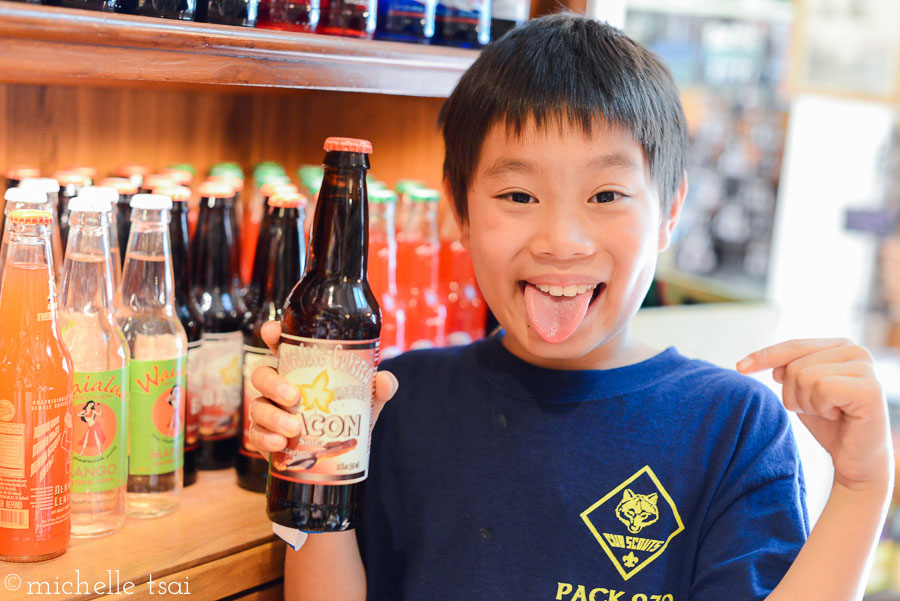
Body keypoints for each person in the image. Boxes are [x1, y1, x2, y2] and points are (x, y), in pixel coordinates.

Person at [249, 14, 893, 601]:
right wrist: (312, 468)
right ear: (461, 212)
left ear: (669, 213)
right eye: (520, 195)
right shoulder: (397, 398)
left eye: (607, 193)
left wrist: (863, 486)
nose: (562, 241)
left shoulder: (731, 428)